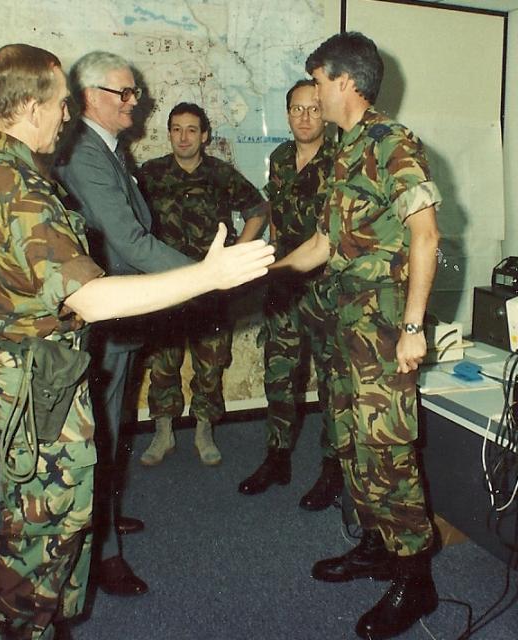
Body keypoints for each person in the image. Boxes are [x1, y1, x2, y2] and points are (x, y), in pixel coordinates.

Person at [0, 43, 274, 639]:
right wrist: (210, 277)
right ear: (32, 106)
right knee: (42, 536)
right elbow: (89, 299)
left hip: (21, 367)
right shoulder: (19, 187)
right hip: (44, 377)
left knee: (42, 519)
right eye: (60, 103)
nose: (65, 115)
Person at [276, 32, 441, 639]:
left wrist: (413, 327)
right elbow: (324, 244)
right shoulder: (345, 151)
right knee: (351, 444)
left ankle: (416, 579)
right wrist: (265, 273)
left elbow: (426, 234)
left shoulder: (392, 142)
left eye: (319, 82)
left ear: (344, 82)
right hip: (345, 328)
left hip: (385, 330)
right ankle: (377, 546)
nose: (313, 95)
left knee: (388, 451)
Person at [53, 51, 195, 597]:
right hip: (103, 323)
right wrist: (207, 274)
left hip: (121, 317)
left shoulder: (108, 149)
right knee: (102, 436)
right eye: (125, 92)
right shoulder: (85, 154)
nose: (136, 101)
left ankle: (103, 520)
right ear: (91, 97)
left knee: (113, 429)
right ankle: (104, 553)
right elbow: (131, 242)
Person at [137, 102, 267, 467]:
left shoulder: (220, 174)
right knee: (163, 363)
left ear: (204, 135)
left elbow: (258, 210)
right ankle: (163, 432)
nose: (183, 137)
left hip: (211, 288)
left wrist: (236, 254)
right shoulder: (150, 174)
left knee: (210, 364)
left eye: (191, 130)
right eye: (176, 129)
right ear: (169, 133)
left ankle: (203, 431)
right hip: (165, 285)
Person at [237, 80, 343, 510]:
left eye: (314, 109)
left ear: (326, 114)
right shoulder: (280, 158)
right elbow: (277, 218)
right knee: (279, 374)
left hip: (325, 288)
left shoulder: (340, 161)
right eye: (297, 109)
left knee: (332, 382)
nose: (305, 117)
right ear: (287, 114)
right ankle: (277, 457)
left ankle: (333, 468)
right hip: (283, 287)